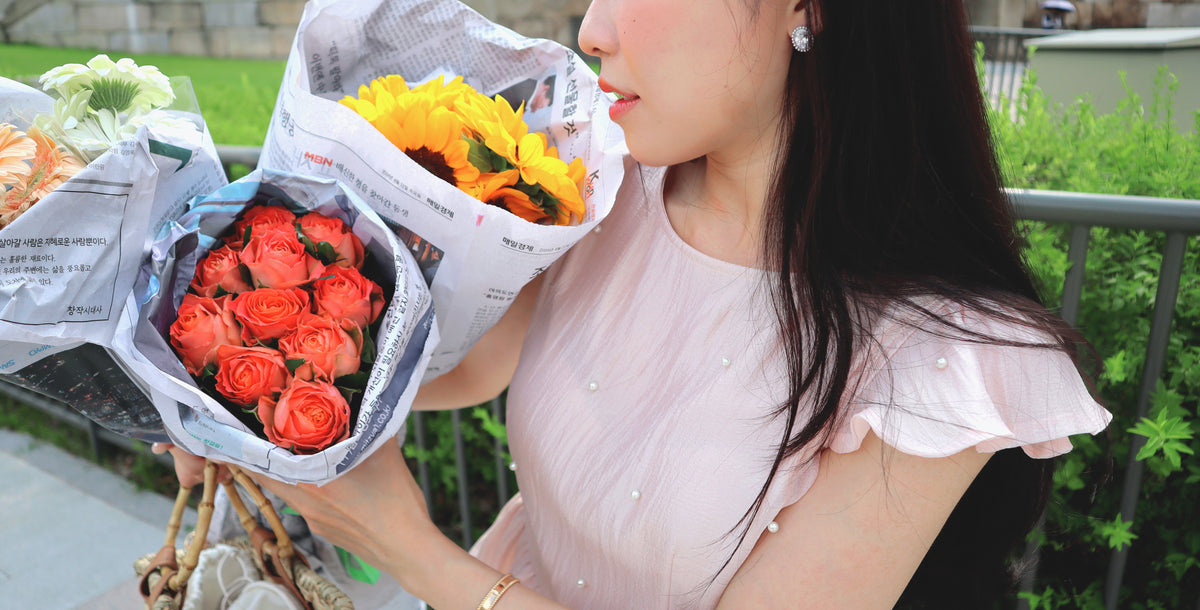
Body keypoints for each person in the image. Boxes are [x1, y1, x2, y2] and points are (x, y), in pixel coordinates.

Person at [161, 0, 1111, 607]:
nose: (591, 28)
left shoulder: (946, 361)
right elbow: (470, 367)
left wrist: (405, 544)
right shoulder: (609, 194)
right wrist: (247, 399)